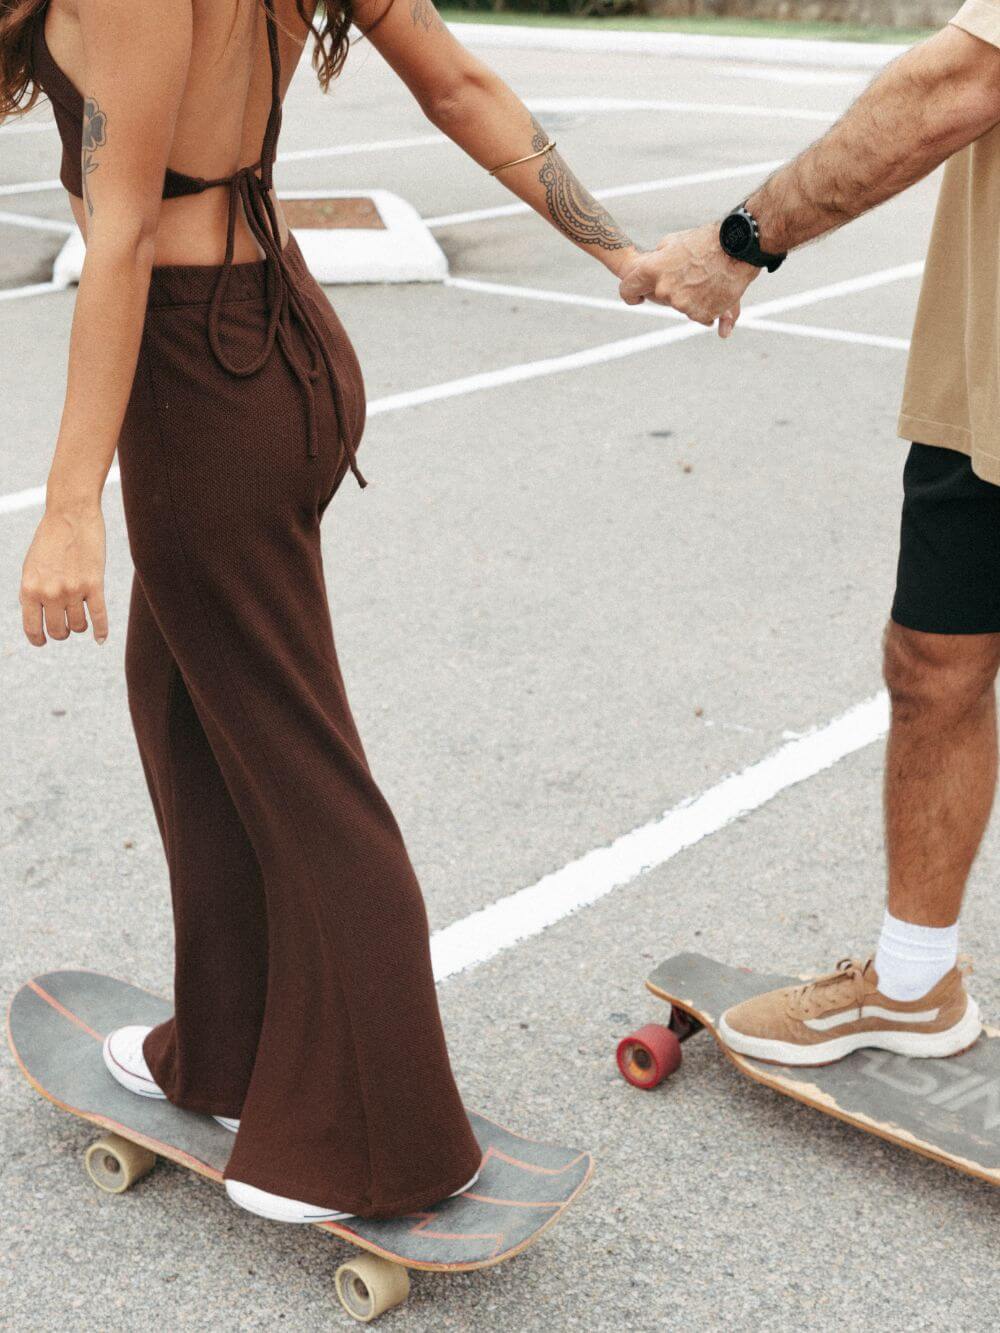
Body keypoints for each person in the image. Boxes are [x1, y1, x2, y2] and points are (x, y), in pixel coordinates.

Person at [4, 0, 637, 1220]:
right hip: (278, 350)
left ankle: (373, 1141)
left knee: (298, 764)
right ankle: (231, 1051)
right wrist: (612, 248)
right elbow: (457, 86)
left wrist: (70, 500)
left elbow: (123, 233)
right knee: (185, 703)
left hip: (204, 380)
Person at [617, 4, 1000, 1067]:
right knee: (934, 662)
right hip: (988, 365)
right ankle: (912, 986)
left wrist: (736, 242)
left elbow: (949, 89)